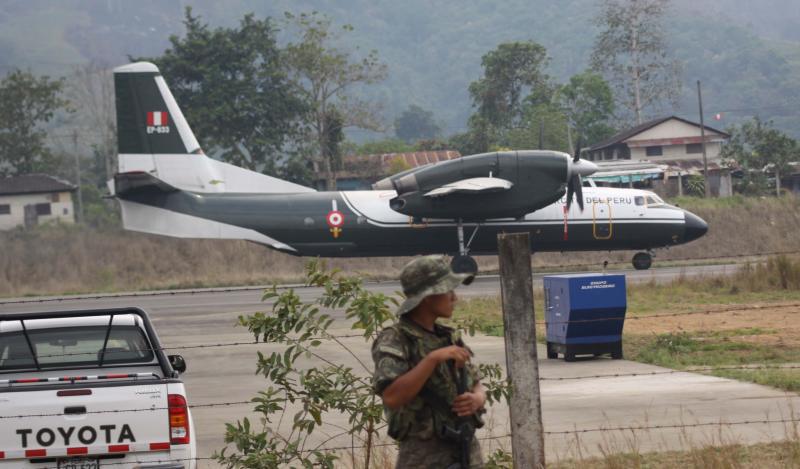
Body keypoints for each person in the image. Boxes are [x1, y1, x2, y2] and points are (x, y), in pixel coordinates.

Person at [372, 255, 486, 468]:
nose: (455, 297)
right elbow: (392, 397)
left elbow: (476, 383)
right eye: (448, 290)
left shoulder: (448, 337)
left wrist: (477, 399)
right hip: (423, 456)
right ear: (427, 297)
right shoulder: (396, 338)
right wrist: (432, 359)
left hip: (465, 449)